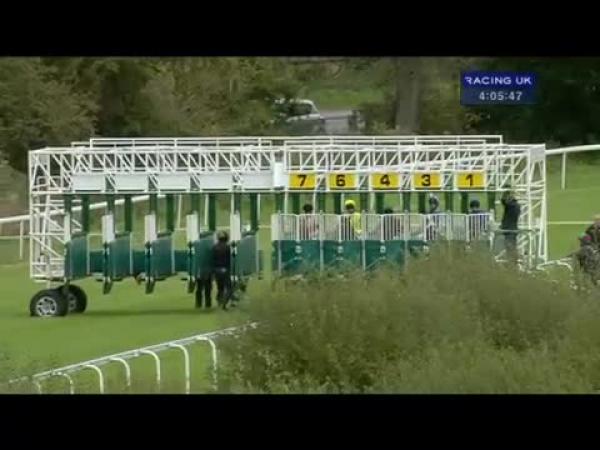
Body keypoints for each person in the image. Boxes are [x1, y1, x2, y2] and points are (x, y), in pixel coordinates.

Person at [212, 230, 233, 310]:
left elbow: (212, 259)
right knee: (229, 289)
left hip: (217, 270)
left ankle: (219, 302)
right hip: (225, 270)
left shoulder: (214, 247)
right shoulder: (228, 247)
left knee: (220, 288)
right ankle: (224, 304)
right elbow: (230, 260)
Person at [501, 190, 521, 262]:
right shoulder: (515, 205)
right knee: (511, 246)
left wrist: (505, 195)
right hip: (512, 228)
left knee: (510, 246)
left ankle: (512, 262)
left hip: (510, 229)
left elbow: (504, 202)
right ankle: (513, 261)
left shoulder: (512, 205)